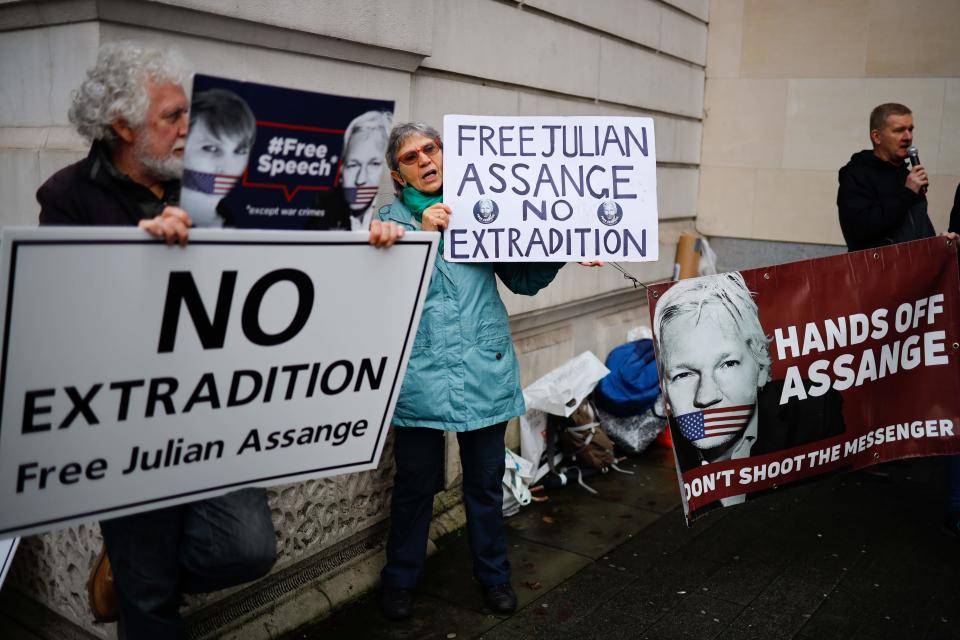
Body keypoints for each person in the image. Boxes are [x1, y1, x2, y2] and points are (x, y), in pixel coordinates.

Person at [36, 41, 402, 640]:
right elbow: (62, 320)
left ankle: (132, 575)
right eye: (172, 116)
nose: (188, 128)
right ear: (120, 125)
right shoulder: (69, 197)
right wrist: (135, 250)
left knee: (248, 549)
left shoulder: (213, 188)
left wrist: (365, 244)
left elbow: (300, 265)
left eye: (190, 113)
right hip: (130, 429)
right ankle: (140, 583)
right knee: (150, 609)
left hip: (217, 418)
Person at [375, 122, 570, 620]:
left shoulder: (483, 207)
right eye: (411, 157)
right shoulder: (387, 219)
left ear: (445, 153)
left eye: (431, 149)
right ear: (398, 174)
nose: (424, 160)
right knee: (416, 484)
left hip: (484, 368)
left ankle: (494, 578)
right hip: (419, 374)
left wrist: (563, 243)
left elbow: (524, 279)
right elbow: (376, 289)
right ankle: (399, 582)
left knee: (484, 483)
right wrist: (421, 235)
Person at [837, 103, 960, 535]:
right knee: (872, 370)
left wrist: (937, 244)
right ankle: (862, 451)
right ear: (877, 135)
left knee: (907, 367)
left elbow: (912, 226)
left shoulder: (909, 172)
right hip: (875, 290)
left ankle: (898, 443)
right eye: (898, 130)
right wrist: (906, 191)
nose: (907, 136)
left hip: (912, 289)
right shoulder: (856, 175)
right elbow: (860, 229)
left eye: (911, 128)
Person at [653, 273, 845, 503]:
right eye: (684, 374)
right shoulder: (673, 450)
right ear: (664, 387)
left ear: (761, 369)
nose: (706, 396)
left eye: (727, 364)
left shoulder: (813, 412)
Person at [179, 88, 256, 227]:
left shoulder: (232, 223)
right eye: (211, 149)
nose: (228, 168)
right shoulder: (151, 216)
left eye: (239, 151)